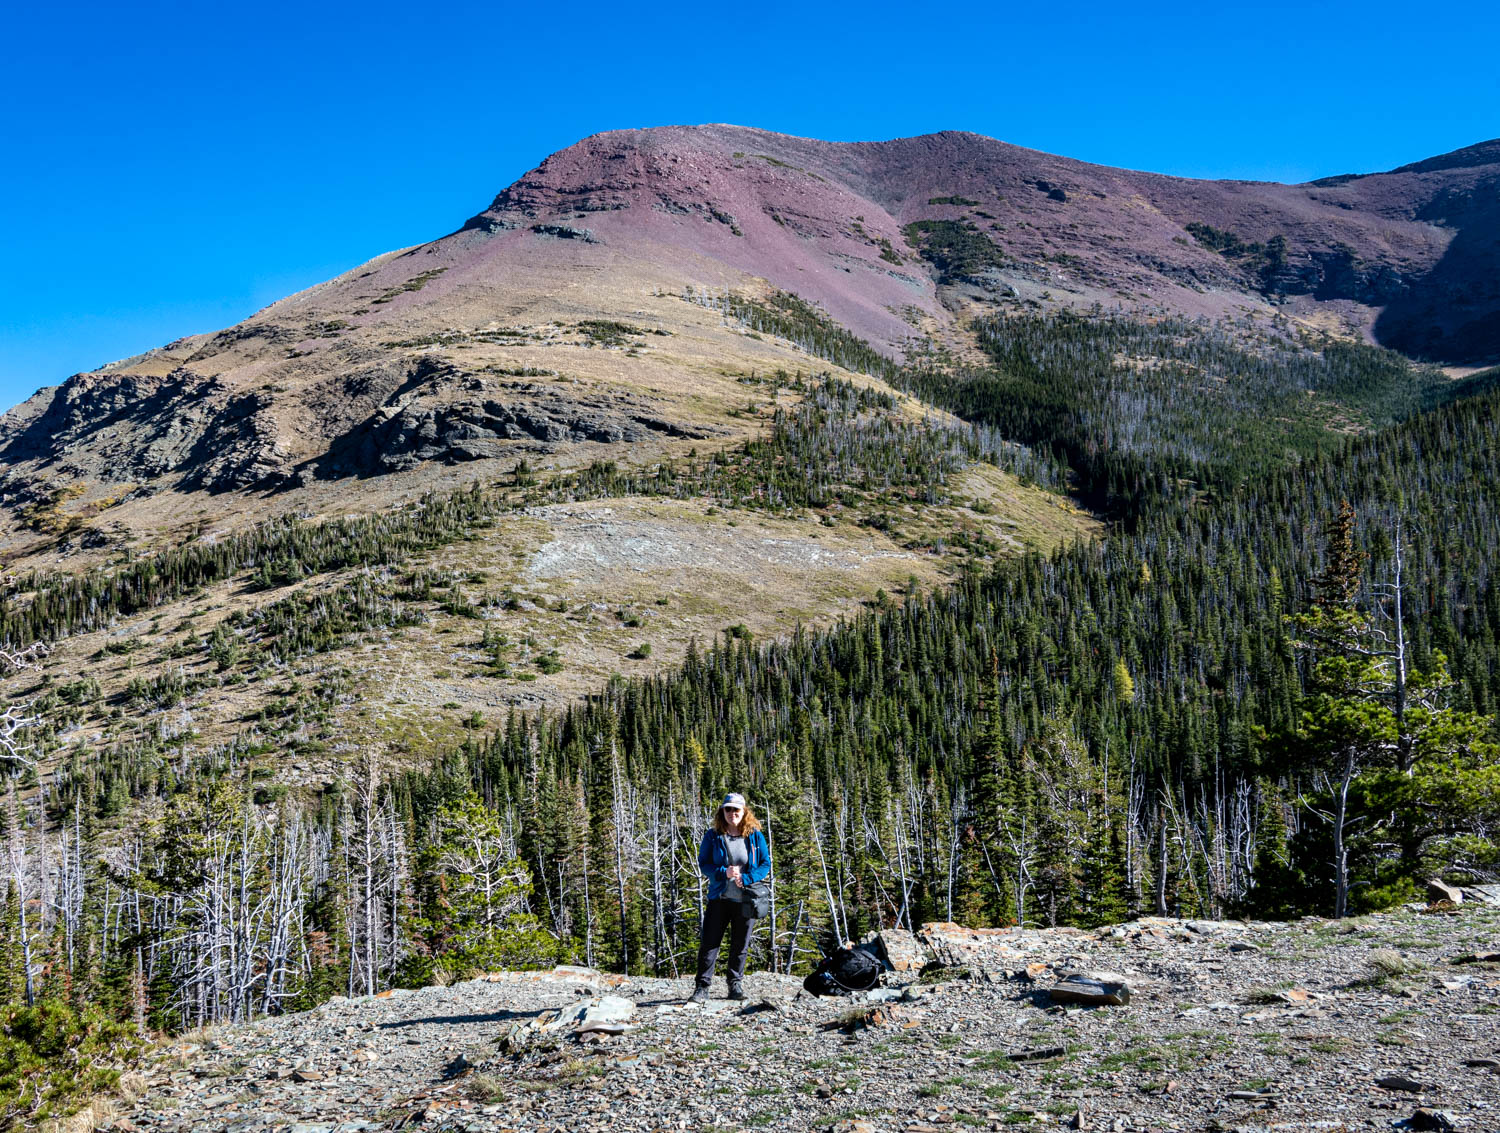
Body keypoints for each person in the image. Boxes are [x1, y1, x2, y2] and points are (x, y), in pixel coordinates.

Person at [688, 792, 771, 1003]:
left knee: (740, 945)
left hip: (746, 899)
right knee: (709, 944)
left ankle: (735, 985)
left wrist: (748, 877)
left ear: (744, 812)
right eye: (728, 809)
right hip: (720, 898)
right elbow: (704, 863)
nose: (732, 813)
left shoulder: (754, 835)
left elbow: (765, 864)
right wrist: (722, 872)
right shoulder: (713, 835)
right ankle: (702, 987)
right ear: (722, 811)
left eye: (736, 809)